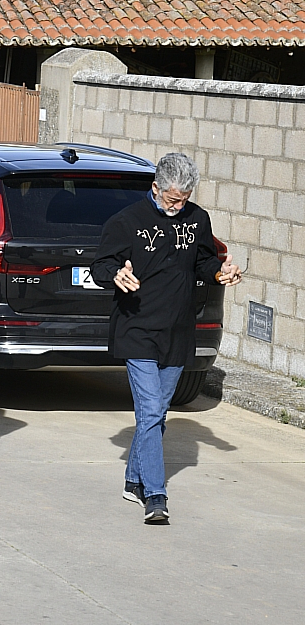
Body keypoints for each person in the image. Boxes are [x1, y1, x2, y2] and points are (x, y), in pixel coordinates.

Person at [91, 152, 242, 524]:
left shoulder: (197, 219)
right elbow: (100, 266)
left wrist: (220, 272)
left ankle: (132, 478)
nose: (179, 205)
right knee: (153, 411)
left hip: (177, 331)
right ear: (155, 188)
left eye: (185, 199)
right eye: (173, 198)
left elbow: (204, 262)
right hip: (137, 328)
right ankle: (155, 495)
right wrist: (115, 275)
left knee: (154, 413)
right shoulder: (126, 222)